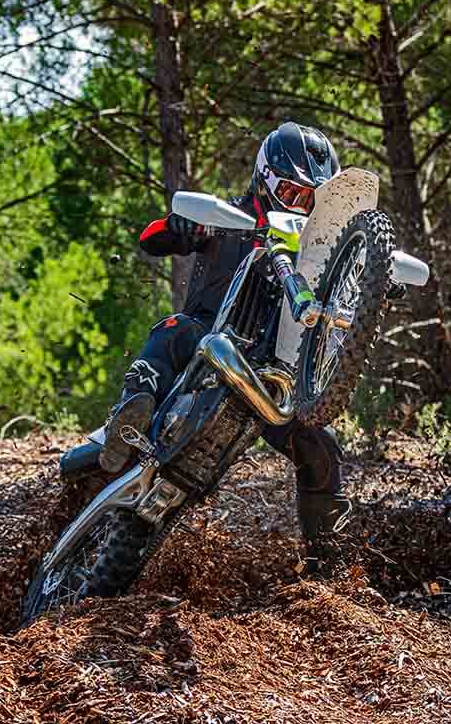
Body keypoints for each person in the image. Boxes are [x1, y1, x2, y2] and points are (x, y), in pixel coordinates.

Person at [99, 121, 352, 573]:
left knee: (322, 448)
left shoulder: (318, 253)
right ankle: (130, 411)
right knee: (175, 329)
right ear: (265, 179)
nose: (300, 207)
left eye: (310, 201)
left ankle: (328, 567)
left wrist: (375, 280)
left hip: (268, 375)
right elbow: (151, 238)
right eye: (291, 193)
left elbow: (357, 277)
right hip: (207, 339)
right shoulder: (227, 217)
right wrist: (180, 226)